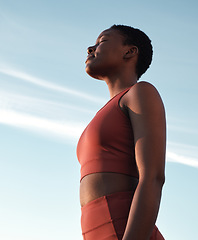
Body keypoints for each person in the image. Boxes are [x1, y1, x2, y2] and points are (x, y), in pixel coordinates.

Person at [77, 24, 166, 240]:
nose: (91, 48)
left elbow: (153, 177)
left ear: (130, 51)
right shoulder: (104, 112)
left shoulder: (140, 93)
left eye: (103, 41)